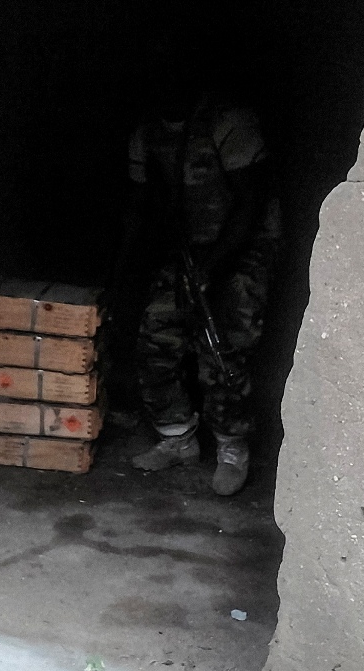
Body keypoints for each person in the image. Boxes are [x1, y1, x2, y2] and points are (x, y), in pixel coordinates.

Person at [125, 72, 283, 496]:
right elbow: (142, 207)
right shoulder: (148, 133)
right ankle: (177, 438)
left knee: (224, 347)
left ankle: (233, 447)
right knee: (156, 336)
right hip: (186, 248)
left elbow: (251, 200)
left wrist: (214, 266)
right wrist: (124, 271)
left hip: (242, 245)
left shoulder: (228, 122)